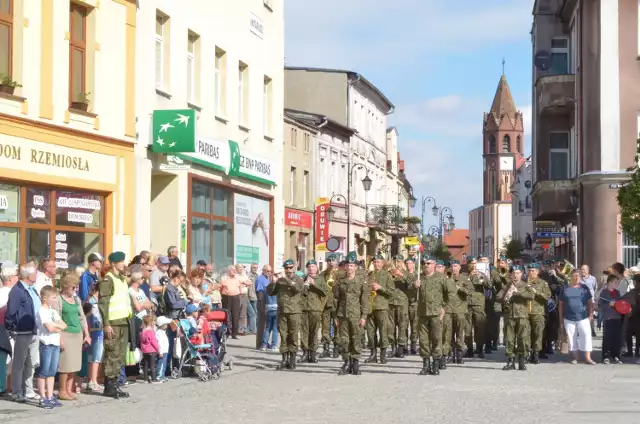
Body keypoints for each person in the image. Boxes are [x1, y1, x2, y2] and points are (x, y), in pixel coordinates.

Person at [98, 251, 133, 398]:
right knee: (112, 353)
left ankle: (116, 383)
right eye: (121, 262)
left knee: (119, 354)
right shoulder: (108, 279)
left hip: (123, 320)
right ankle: (109, 386)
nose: (123, 264)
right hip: (113, 322)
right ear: (113, 263)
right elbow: (103, 303)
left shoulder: (121, 279)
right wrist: (106, 323)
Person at [6, 264, 41, 402]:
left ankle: (29, 390)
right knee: (19, 363)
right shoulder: (17, 291)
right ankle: (17, 392)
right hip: (22, 332)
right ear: (28, 275)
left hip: (34, 330)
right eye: (35, 273)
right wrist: (12, 328)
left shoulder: (31, 289)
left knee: (31, 363)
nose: (37, 275)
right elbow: (10, 312)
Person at [54, 273, 90, 401]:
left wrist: (87, 334)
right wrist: (60, 338)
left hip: (77, 334)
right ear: (66, 286)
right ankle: (62, 390)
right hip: (66, 334)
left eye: (76, 287)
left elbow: (82, 317)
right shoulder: (58, 299)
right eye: (73, 287)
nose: (75, 290)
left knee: (74, 364)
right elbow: (56, 319)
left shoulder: (77, 299)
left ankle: (70, 389)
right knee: (65, 365)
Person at [334, 252, 368, 375]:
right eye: (348, 265)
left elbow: (364, 300)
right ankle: (346, 361)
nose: (349, 268)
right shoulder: (340, 281)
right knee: (344, 339)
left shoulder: (361, 281)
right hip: (342, 314)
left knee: (356, 338)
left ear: (356, 267)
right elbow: (336, 299)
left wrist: (364, 316)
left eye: (352, 265)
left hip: (356, 315)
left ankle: (355, 362)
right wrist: (335, 316)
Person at [267, 259, 303, 370]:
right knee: (283, 335)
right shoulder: (280, 281)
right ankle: (284, 359)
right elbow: (270, 292)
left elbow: (297, 289)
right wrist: (273, 282)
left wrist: (286, 279)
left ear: (294, 268)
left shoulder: (298, 279)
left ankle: (292, 360)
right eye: (286, 268)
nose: (289, 270)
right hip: (282, 311)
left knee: (293, 335)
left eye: (291, 268)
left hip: (294, 312)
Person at [497, 265, 534, 371]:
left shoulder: (526, 285)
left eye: (518, 273)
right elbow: (498, 297)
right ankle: (511, 360)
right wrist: (507, 294)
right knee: (509, 339)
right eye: (513, 273)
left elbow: (531, 296)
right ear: (511, 274)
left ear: (521, 274)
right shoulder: (506, 286)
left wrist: (517, 293)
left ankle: (522, 361)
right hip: (509, 315)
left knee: (523, 338)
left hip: (522, 315)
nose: (515, 275)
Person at [416, 256, 448, 376]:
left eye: (428, 263)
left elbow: (449, 293)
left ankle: (435, 364)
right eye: (424, 263)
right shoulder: (419, 277)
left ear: (434, 265)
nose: (426, 265)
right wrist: (414, 286)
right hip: (423, 313)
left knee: (436, 338)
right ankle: (425, 365)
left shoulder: (441, 278)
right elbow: (410, 295)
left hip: (435, 313)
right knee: (423, 340)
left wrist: (444, 308)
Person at [559, 269, 596, 365]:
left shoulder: (584, 288)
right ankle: (575, 357)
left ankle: (587, 357)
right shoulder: (565, 288)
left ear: (580, 277)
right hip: (568, 317)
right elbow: (561, 304)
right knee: (572, 338)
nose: (576, 278)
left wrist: (591, 314)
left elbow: (590, 302)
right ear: (570, 277)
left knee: (586, 336)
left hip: (583, 317)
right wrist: (561, 319)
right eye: (574, 276)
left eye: (578, 276)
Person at [364, 255, 392, 364]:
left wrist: (381, 288)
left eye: (378, 262)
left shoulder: (387, 275)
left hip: (381, 306)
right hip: (370, 307)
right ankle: (373, 354)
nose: (376, 264)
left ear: (383, 263)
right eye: (375, 262)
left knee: (383, 331)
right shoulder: (369, 275)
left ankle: (383, 355)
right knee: (370, 332)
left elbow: (391, 292)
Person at [299, 260, 328, 363]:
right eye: (309, 267)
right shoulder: (303, 279)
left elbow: (325, 293)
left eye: (313, 266)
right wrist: (305, 285)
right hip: (304, 309)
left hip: (315, 309)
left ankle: (313, 353)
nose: (311, 268)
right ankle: (305, 353)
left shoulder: (320, 279)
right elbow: (300, 294)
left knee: (314, 332)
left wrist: (314, 285)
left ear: (316, 268)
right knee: (304, 332)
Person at [448, 260, 473, 364]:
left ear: (459, 268)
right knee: (448, 333)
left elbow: (470, 291)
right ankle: (450, 353)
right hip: (448, 309)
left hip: (460, 310)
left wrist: (460, 288)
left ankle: (459, 354)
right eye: (452, 266)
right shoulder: (447, 277)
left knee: (459, 333)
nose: (454, 268)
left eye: (456, 266)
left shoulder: (464, 279)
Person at [526, 263, 551, 364]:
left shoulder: (543, 283)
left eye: (533, 271)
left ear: (538, 272)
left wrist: (536, 292)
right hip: (526, 312)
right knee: (526, 334)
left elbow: (547, 296)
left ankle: (536, 354)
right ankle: (527, 353)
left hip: (538, 312)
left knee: (538, 334)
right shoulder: (524, 283)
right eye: (530, 270)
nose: (531, 273)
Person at [599, 274, 622, 364]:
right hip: (608, 318)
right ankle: (606, 356)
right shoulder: (604, 292)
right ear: (609, 282)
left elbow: (620, 303)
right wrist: (609, 305)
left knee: (616, 337)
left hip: (617, 317)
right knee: (607, 337)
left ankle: (615, 355)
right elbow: (600, 305)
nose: (617, 284)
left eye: (617, 282)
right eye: (615, 282)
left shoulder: (617, 293)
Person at [139, 315, 161, 384]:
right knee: (152, 365)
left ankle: (145, 379)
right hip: (152, 350)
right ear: (151, 322)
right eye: (154, 321)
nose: (155, 323)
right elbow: (153, 341)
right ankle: (153, 379)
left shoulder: (143, 331)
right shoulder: (150, 331)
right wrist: (158, 349)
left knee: (146, 365)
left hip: (145, 350)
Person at [155, 316, 172, 382]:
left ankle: (162, 375)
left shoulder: (162, 332)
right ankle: (159, 375)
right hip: (162, 351)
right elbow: (159, 343)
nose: (167, 325)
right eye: (165, 324)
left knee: (163, 364)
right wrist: (161, 352)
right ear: (161, 325)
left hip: (165, 351)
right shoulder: (159, 333)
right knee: (161, 364)